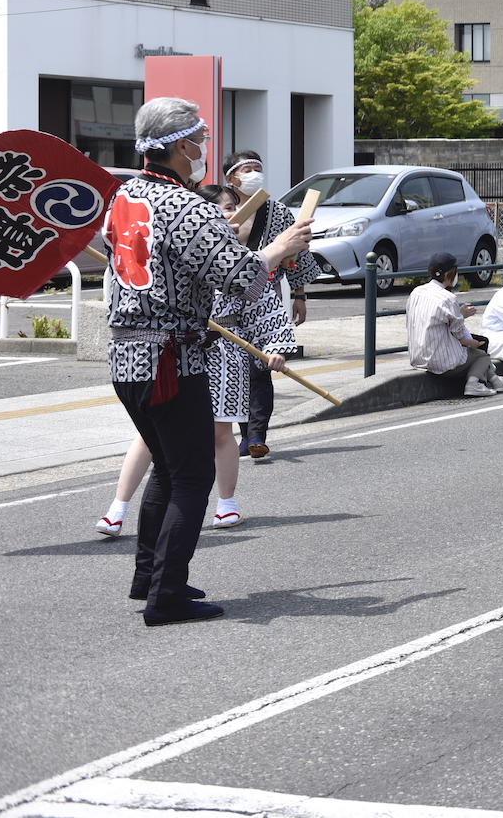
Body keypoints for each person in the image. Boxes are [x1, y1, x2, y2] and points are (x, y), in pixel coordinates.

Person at [103, 97, 311, 625]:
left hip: (127, 353)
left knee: (170, 469)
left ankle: (150, 577)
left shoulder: (125, 195)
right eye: (196, 141)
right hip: (171, 357)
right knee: (193, 474)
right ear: (175, 146)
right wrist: (280, 248)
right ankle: (166, 593)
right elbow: (239, 276)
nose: (201, 150)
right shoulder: (186, 206)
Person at [223, 152, 315, 459]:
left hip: (266, 298)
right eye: (247, 170)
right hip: (226, 302)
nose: (254, 175)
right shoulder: (219, 211)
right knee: (236, 367)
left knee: (262, 366)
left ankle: (257, 435)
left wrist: (299, 295)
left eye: (258, 169)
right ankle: (243, 432)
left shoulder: (276, 211)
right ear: (231, 178)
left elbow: (296, 253)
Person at [408, 252, 503, 396]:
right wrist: (473, 343)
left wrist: (460, 314)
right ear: (450, 273)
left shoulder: (416, 292)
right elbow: (460, 335)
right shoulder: (447, 298)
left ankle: (496, 380)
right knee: (481, 355)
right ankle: (474, 384)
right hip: (439, 361)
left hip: (417, 357)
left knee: (473, 352)